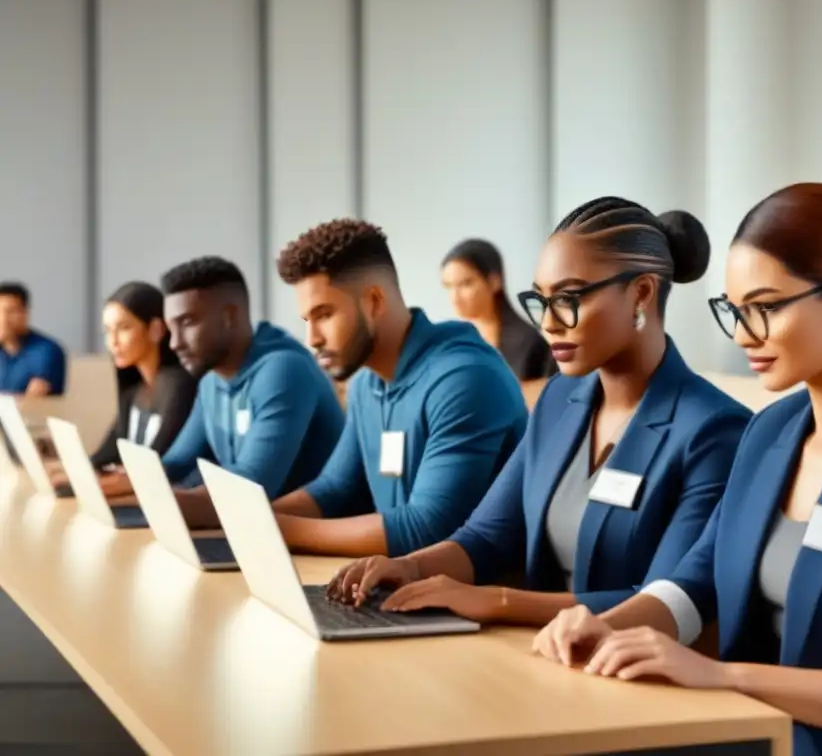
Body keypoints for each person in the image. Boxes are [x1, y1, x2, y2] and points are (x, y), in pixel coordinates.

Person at [533, 183, 822, 756]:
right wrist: (608, 623)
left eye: (764, 309)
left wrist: (724, 676)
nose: (741, 335)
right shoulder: (768, 432)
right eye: (734, 311)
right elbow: (695, 583)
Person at [327, 198, 751, 626]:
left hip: (626, 668)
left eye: (568, 298)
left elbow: (664, 601)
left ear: (641, 292)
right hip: (537, 652)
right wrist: (411, 568)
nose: (548, 323)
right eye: (540, 301)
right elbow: (487, 537)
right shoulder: (558, 400)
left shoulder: (715, 429)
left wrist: (499, 602)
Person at [265, 218, 529, 557]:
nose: (312, 339)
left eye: (325, 314)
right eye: (307, 321)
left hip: (476, 600)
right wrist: (257, 519)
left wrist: (280, 530)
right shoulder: (367, 383)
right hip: (403, 587)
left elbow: (426, 528)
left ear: (374, 302)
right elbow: (335, 488)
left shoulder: (464, 377)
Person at [150, 257, 345, 525]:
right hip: (260, 535)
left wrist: (154, 499)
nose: (174, 343)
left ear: (230, 316)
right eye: (171, 328)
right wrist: (126, 482)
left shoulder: (284, 370)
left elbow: (250, 487)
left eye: (187, 322)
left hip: (314, 546)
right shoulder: (211, 380)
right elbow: (177, 462)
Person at [87, 282, 197, 497]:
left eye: (124, 328)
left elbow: (157, 466)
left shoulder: (178, 384)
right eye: (108, 331)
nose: (113, 341)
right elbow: (106, 454)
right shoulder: (133, 388)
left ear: (156, 329)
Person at [441, 238, 555, 382]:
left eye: (465, 284)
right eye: (449, 286)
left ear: (495, 281)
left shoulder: (530, 343)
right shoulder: (451, 344)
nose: (455, 297)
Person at [0, 282, 66, 396]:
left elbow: (35, 394)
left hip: (32, 413)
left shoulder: (46, 350)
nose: (4, 319)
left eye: (10, 312)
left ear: (25, 313)